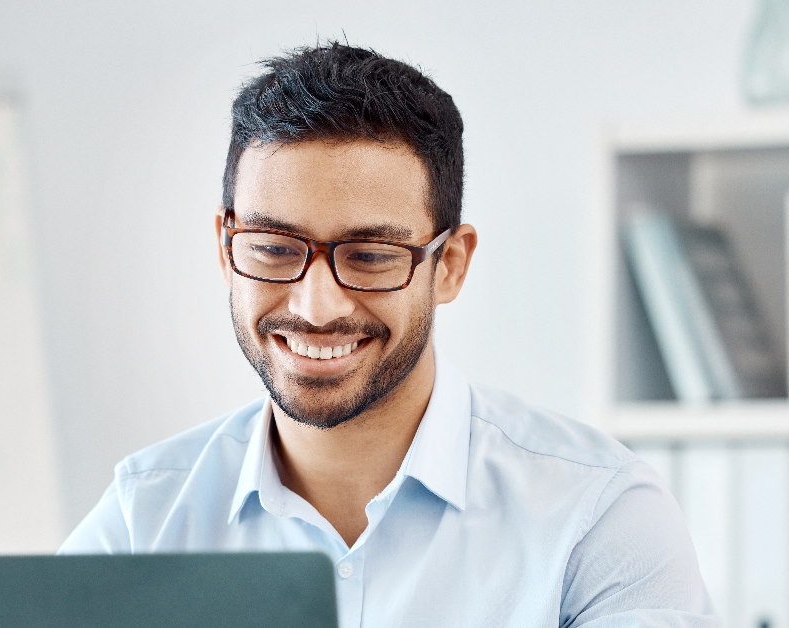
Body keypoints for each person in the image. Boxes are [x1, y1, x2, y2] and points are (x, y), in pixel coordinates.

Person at [60, 42, 715, 626]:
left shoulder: (596, 516)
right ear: (225, 246)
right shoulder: (144, 519)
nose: (316, 307)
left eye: (370, 256)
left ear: (450, 264)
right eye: (272, 248)